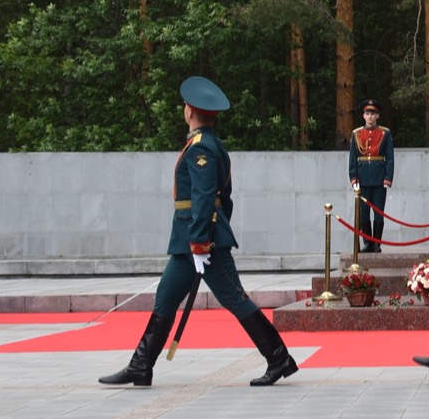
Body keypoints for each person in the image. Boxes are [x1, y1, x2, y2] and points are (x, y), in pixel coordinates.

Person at [98, 77, 299, 387]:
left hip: (200, 243)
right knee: (165, 300)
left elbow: (205, 197)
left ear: (190, 111)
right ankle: (141, 366)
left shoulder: (201, 148)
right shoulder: (212, 145)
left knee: (235, 299)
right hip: (190, 242)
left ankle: (278, 358)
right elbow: (225, 199)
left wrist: (202, 240)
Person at [348, 100, 394, 252]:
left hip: (379, 178)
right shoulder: (356, 134)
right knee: (363, 214)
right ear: (363, 116)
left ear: (377, 116)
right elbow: (353, 158)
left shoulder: (384, 133)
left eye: (373, 114)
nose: (370, 117)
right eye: (367, 114)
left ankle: (377, 244)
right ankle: (367, 242)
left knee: (379, 213)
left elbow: (390, 157)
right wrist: (353, 178)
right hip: (362, 178)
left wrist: (388, 178)